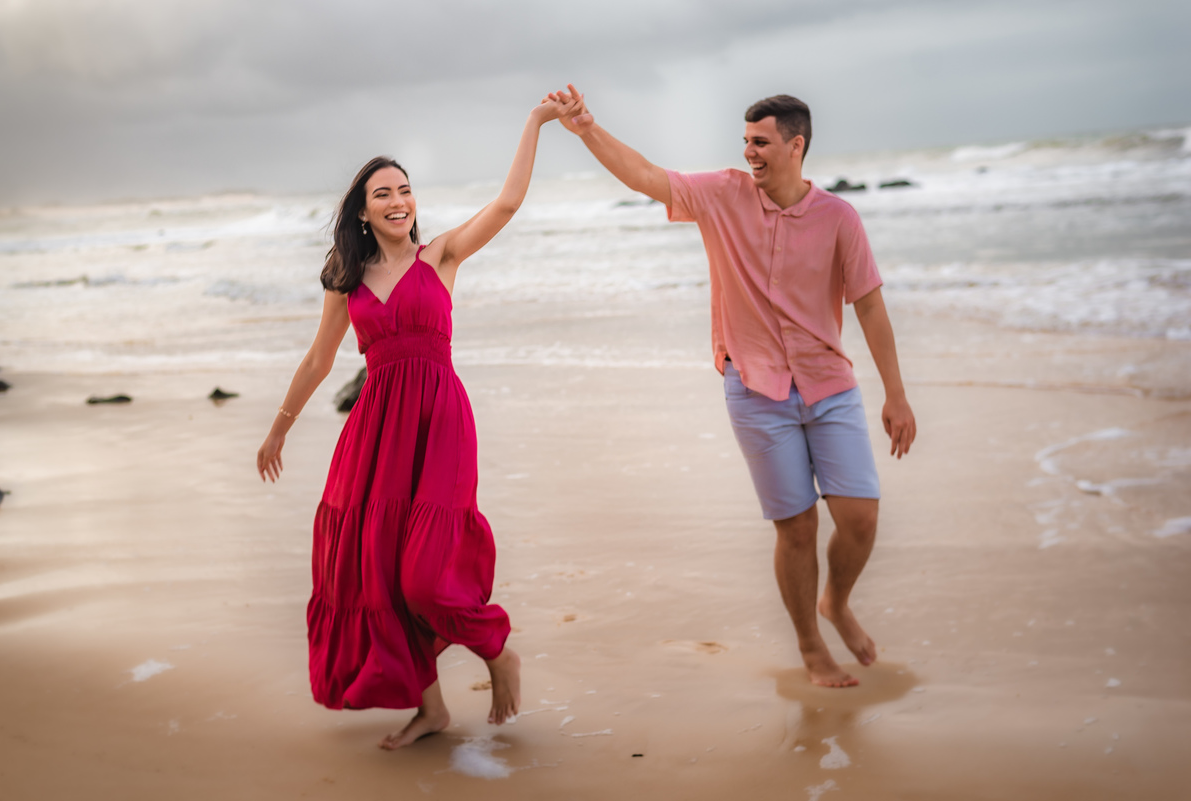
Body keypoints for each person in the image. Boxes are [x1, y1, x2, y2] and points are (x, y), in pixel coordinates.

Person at [549, 85, 916, 688]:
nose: (749, 152)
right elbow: (644, 175)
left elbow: (871, 309)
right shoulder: (721, 195)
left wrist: (896, 395)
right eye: (745, 141)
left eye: (762, 142)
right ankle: (810, 646)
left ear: (796, 147)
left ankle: (837, 602)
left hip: (829, 386)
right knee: (796, 527)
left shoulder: (838, 219)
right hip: (755, 390)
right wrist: (586, 128)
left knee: (861, 519)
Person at [256, 96, 571, 747]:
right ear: (364, 211)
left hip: (439, 421)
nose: (397, 200)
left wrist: (535, 122)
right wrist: (279, 426)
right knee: (378, 570)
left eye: (404, 190)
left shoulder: (443, 256)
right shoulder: (348, 280)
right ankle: (430, 707)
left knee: (426, 572)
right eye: (382, 193)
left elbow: (507, 204)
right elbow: (320, 360)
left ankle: (496, 648)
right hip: (375, 430)